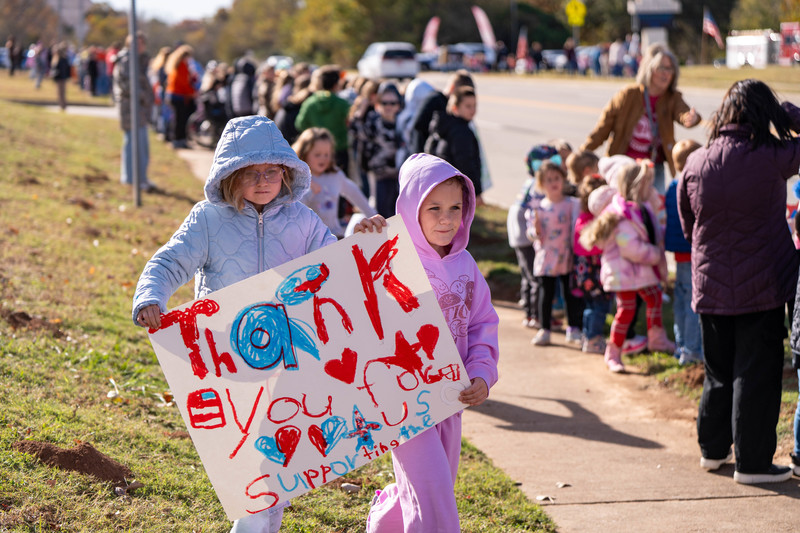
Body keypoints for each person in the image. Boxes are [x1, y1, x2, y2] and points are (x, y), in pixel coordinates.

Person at [132, 116, 337, 532]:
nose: (262, 181)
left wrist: (363, 241)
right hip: (226, 356)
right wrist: (151, 296)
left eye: (271, 171)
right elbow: (170, 261)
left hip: (286, 359)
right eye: (250, 173)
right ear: (230, 175)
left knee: (277, 456)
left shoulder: (303, 222)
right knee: (248, 455)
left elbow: (336, 266)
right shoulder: (209, 220)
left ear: (285, 171)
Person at [353, 153, 499, 533]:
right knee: (433, 495)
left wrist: (482, 373)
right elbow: (350, 289)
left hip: (451, 397)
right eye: (433, 208)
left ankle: (386, 517)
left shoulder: (466, 266)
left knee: (435, 490)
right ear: (410, 209)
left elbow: (483, 322)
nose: (447, 218)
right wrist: (362, 236)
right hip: (402, 400)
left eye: (455, 207)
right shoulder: (389, 254)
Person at [678, 79, 800, 484]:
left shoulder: (696, 162)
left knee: (718, 371)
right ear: (764, 115)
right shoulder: (772, 155)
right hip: (762, 284)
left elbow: (688, 223)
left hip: (710, 284)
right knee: (757, 373)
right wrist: (788, 116)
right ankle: (753, 463)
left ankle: (712, 451)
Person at [581, 160, 674, 373]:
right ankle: (613, 352)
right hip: (623, 273)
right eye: (647, 184)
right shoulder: (622, 214)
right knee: (626, 310)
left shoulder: (639, 208)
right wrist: (655, 255)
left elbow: (650, 230)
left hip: (637, 272)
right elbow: (629, 247)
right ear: (636, 186)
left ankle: (656, 338)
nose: (651, 189)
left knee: (654, 296)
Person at [581, 43, 701, 195]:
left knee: (655, 212)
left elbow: (683, 113)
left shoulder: (672, 98)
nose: (666, 74)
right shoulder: (628, 95)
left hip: (653, 167)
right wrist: (582, 153)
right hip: (623, 166)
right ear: (649, 69)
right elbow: (603, 127)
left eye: (670, 69)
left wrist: (691, 118)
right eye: (661, 68)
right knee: (623, 208)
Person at [526, 160, 582, 346]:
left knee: (570, 293)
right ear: (541, 184)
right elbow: (532, 235)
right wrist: (535, 229)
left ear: (564, 179)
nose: (554, 182)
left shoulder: (572, 204)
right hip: (546, 258)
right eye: (549, 179)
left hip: (567, 257)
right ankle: (545, 328)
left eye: (557, 178)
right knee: (546, 295)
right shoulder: (538, 208)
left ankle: (574, 328)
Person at [507, 145, 560, 329]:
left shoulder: (530, 182)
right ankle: (536, 315)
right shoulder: (537, 186)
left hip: (518, 232)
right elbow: (538, 212)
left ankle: (530, 314)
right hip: (526, 234)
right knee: (535, 277)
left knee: (527, 275)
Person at [292, 127, 376, 237]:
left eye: (327, 154)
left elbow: (355, 194)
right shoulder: (296, 177)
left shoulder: (335, 175)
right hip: (310, 240)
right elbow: (292, 211)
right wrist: (309, 192)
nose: (323, 158)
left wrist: (374, 216)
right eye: (317, 154)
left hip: (334, 236)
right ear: (304, 153)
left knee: (358, 219)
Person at [665, 139, 702, 365]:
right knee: (692, 303)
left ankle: (680, 346)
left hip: (679, 254)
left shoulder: (672, 187)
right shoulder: (692, 187)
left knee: (680, 300)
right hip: (691, 252)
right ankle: (692, 349)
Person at [425, 87, 483, 204]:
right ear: (455, 108)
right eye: (468, 106)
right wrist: (475, 192)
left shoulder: (446, 125)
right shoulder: (461, 131)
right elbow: (465, 162)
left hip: (444, 185)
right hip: (457, 187)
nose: (473, 110)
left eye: (474, 105)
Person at [573, 175, 611, 354]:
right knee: (600, 306)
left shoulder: (581, 218)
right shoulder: (595, 220)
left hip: (583, 273)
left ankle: (587, 336)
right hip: (594, 272)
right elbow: (592, 246)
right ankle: (594, 338)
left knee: (590, 306)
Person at [113, 32, 154, 191]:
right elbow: (127, 85)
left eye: (143, 43)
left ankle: (141, 178)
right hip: (131, 108)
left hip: (139, 109)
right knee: (133, 145)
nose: (141, 46)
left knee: (142, 145)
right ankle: (131, 179)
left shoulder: (138, 60)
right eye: (137, 43)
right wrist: (143, 97)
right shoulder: (127, 60)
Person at [295, 65, 351, 171]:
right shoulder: (343, 104)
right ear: (336, 84)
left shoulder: (310, 103)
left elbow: (300, 124)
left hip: (314, 152)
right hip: (339, 150)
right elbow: (350, 124)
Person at [361, 83, 403, 217]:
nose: (389, 106)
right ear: (378, 104)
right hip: (380, 176)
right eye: (384, 103)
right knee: (383, 215)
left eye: (392, 102)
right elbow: (354, 130)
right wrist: (363, 106)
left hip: (401, 177)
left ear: (399, 104)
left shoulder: (403, 123)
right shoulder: (373, 122)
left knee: (399, 214)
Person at [409, 69, 473, 155]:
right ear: (452, 88)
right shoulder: (435, 100)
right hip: (424, 155)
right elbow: (418, 125)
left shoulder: (449, 105)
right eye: (460, 96)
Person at [165, 44, 197, 149]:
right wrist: (192, 92)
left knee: (177, 119)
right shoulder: (182, 66)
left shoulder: (176, 65)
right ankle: (178, 140)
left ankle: (177, 139)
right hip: (178, 96)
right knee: (180, 119)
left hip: (172, 95)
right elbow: (184, 83)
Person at [51, 43, 71, 111]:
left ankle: (63, 106)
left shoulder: (60, 59)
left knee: (61, 92)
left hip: (61, 78)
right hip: (61, 78)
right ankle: (62, 105)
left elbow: (61, 69)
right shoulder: (60, 59)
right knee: (61, 93)